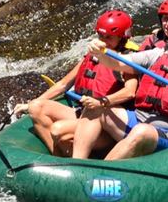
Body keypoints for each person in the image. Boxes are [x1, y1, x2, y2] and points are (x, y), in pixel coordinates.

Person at [71, 9, 168, 160]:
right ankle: (77, 163)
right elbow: (118, 63)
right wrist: (100, 52)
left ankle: (99, 174)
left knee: (142, 131)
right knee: (95, 109)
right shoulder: (158, 54)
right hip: (138, 120)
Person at [13, 10, 138, 156]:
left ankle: (72, 162)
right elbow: (63, 84)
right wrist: (30, 103)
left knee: (58, 129)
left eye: (109, 37)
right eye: (100, 36)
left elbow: (130, 92)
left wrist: (102, 102)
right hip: (82, 113)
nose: (102, 41)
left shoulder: (128, 60)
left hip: (105, 127)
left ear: (122, 38)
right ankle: (57, 158)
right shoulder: (94, 55)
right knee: (36, 107)